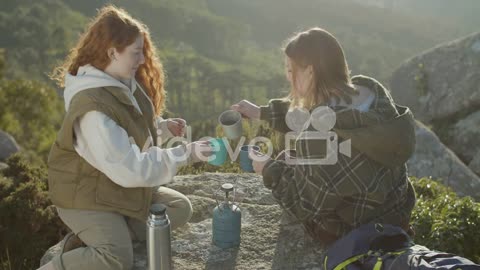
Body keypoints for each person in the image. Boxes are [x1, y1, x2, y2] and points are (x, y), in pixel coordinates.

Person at [39, 5, 211, 270]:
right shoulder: (92, 110)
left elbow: (127, 133)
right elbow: (132, 168)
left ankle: (102, 237)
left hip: (115, 184)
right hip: (86, 195)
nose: (142, 60)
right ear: (112, 52)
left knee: (178, 209)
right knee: (117, 259)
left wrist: (163, 128)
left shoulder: (120, 82)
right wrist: (186, 153)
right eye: (136, 52)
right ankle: (55, 264)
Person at [232, 27, 416, 247]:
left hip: (356, 232)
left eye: (291, 70)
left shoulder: (317, 133)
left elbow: (302, 205)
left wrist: (267, 168)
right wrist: (261, 112)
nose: (287, 76)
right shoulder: (373, 92)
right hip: (396, 216)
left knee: (285, 158)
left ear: (310, 72)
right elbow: (317, 114)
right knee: (293, 157)